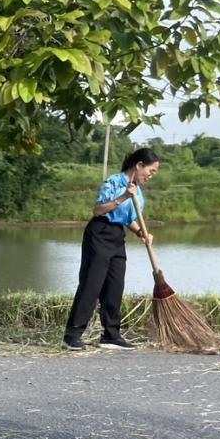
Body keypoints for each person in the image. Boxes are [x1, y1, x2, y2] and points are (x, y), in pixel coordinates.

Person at [63, 148, 158, 351]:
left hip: (117, 236)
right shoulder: (114, 182)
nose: (151, 175)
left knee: (115, 286)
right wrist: (123, 196)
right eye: (151, 171)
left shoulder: (138, 190)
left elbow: (128, 218)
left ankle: (111, 335)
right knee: (92, 284)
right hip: (99, 232)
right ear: (139, 165)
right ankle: (72, 335)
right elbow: (98, 210)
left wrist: (141, 232)